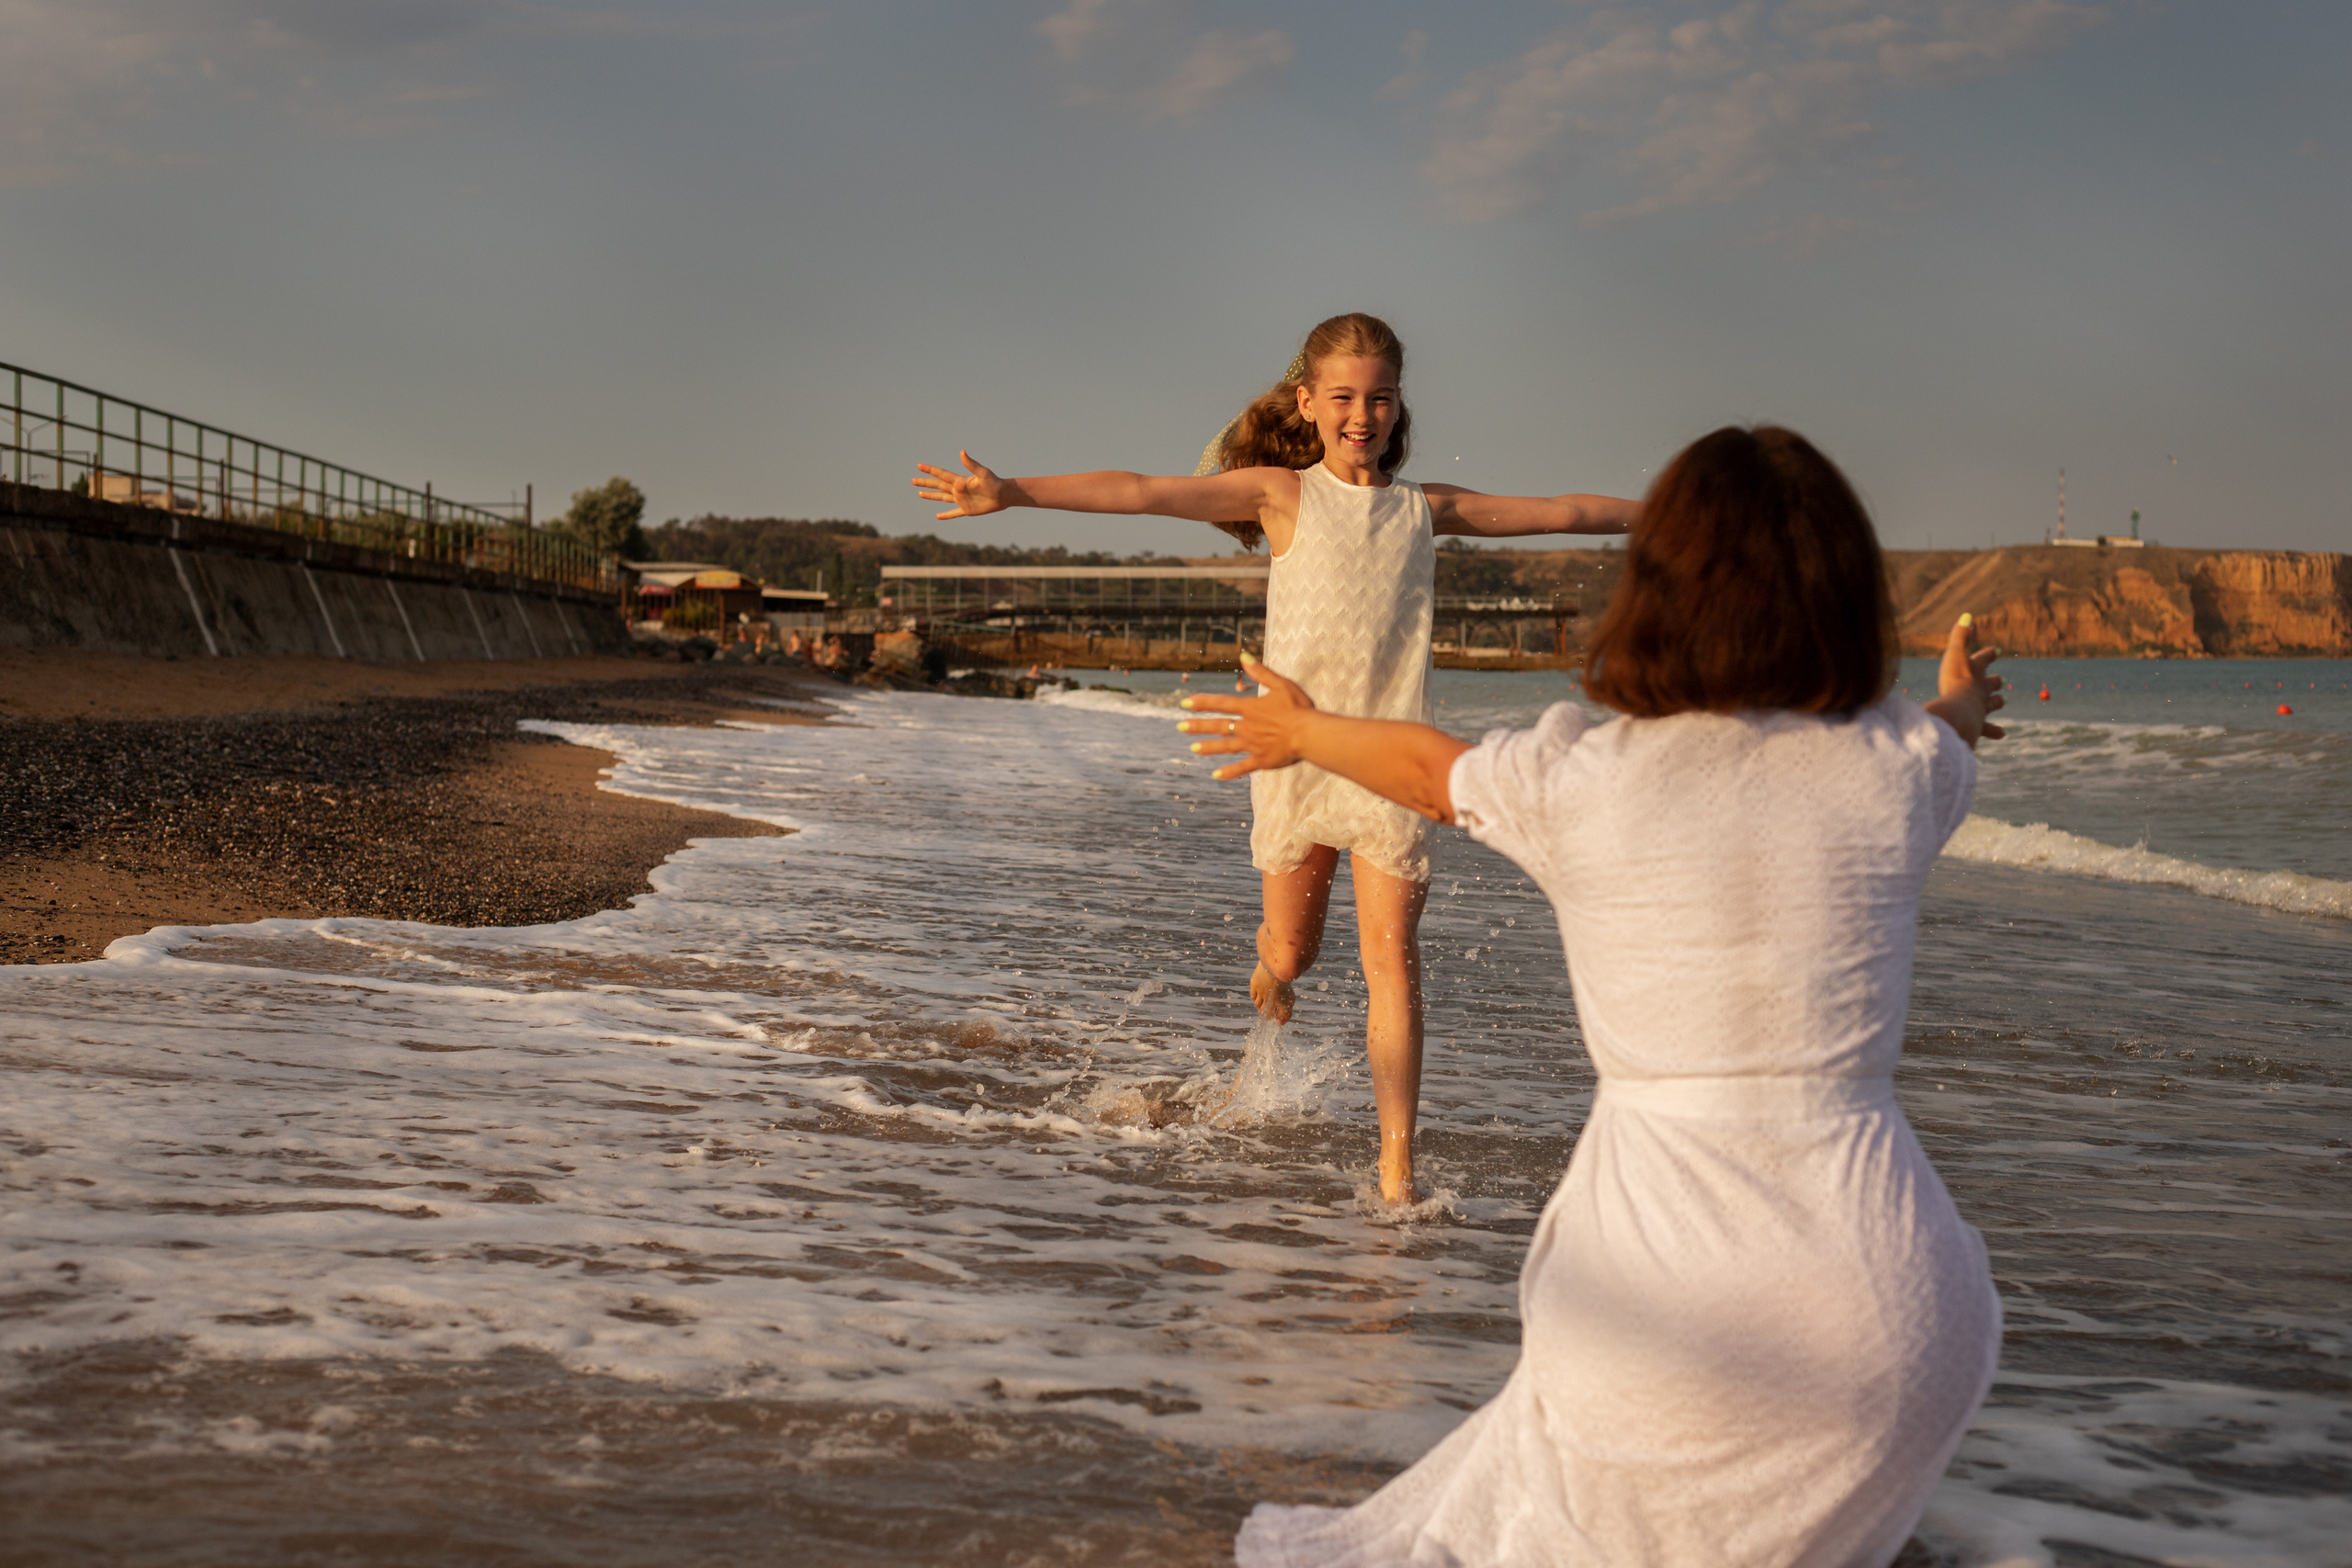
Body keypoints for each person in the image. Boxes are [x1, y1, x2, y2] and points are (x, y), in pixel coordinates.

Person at [1178, 424, 2007, 1566]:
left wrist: (1299, 728)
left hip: (1659, 1302)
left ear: (1655, 594)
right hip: (1900, 1311)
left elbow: (1426, 764)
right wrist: (1961, 691)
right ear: (1848, 596)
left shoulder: (1586, 774)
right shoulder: (1900, 765)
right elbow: (1945, 727)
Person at [912, 312, 1634, 1204]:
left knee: (1390, 960)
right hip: (1291, 753)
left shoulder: (1424, 510)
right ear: (1308, 402)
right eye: (1342, 397)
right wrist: (1012, 491)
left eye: (1379, 398)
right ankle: (1270, 964)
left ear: (1398, 404)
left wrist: (1669, 514)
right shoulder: (1281, 495)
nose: (1361, 415)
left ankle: (1396, 1165)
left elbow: (1559, 513)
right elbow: (1142, 491)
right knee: (1294, 953)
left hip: (1390, 763)